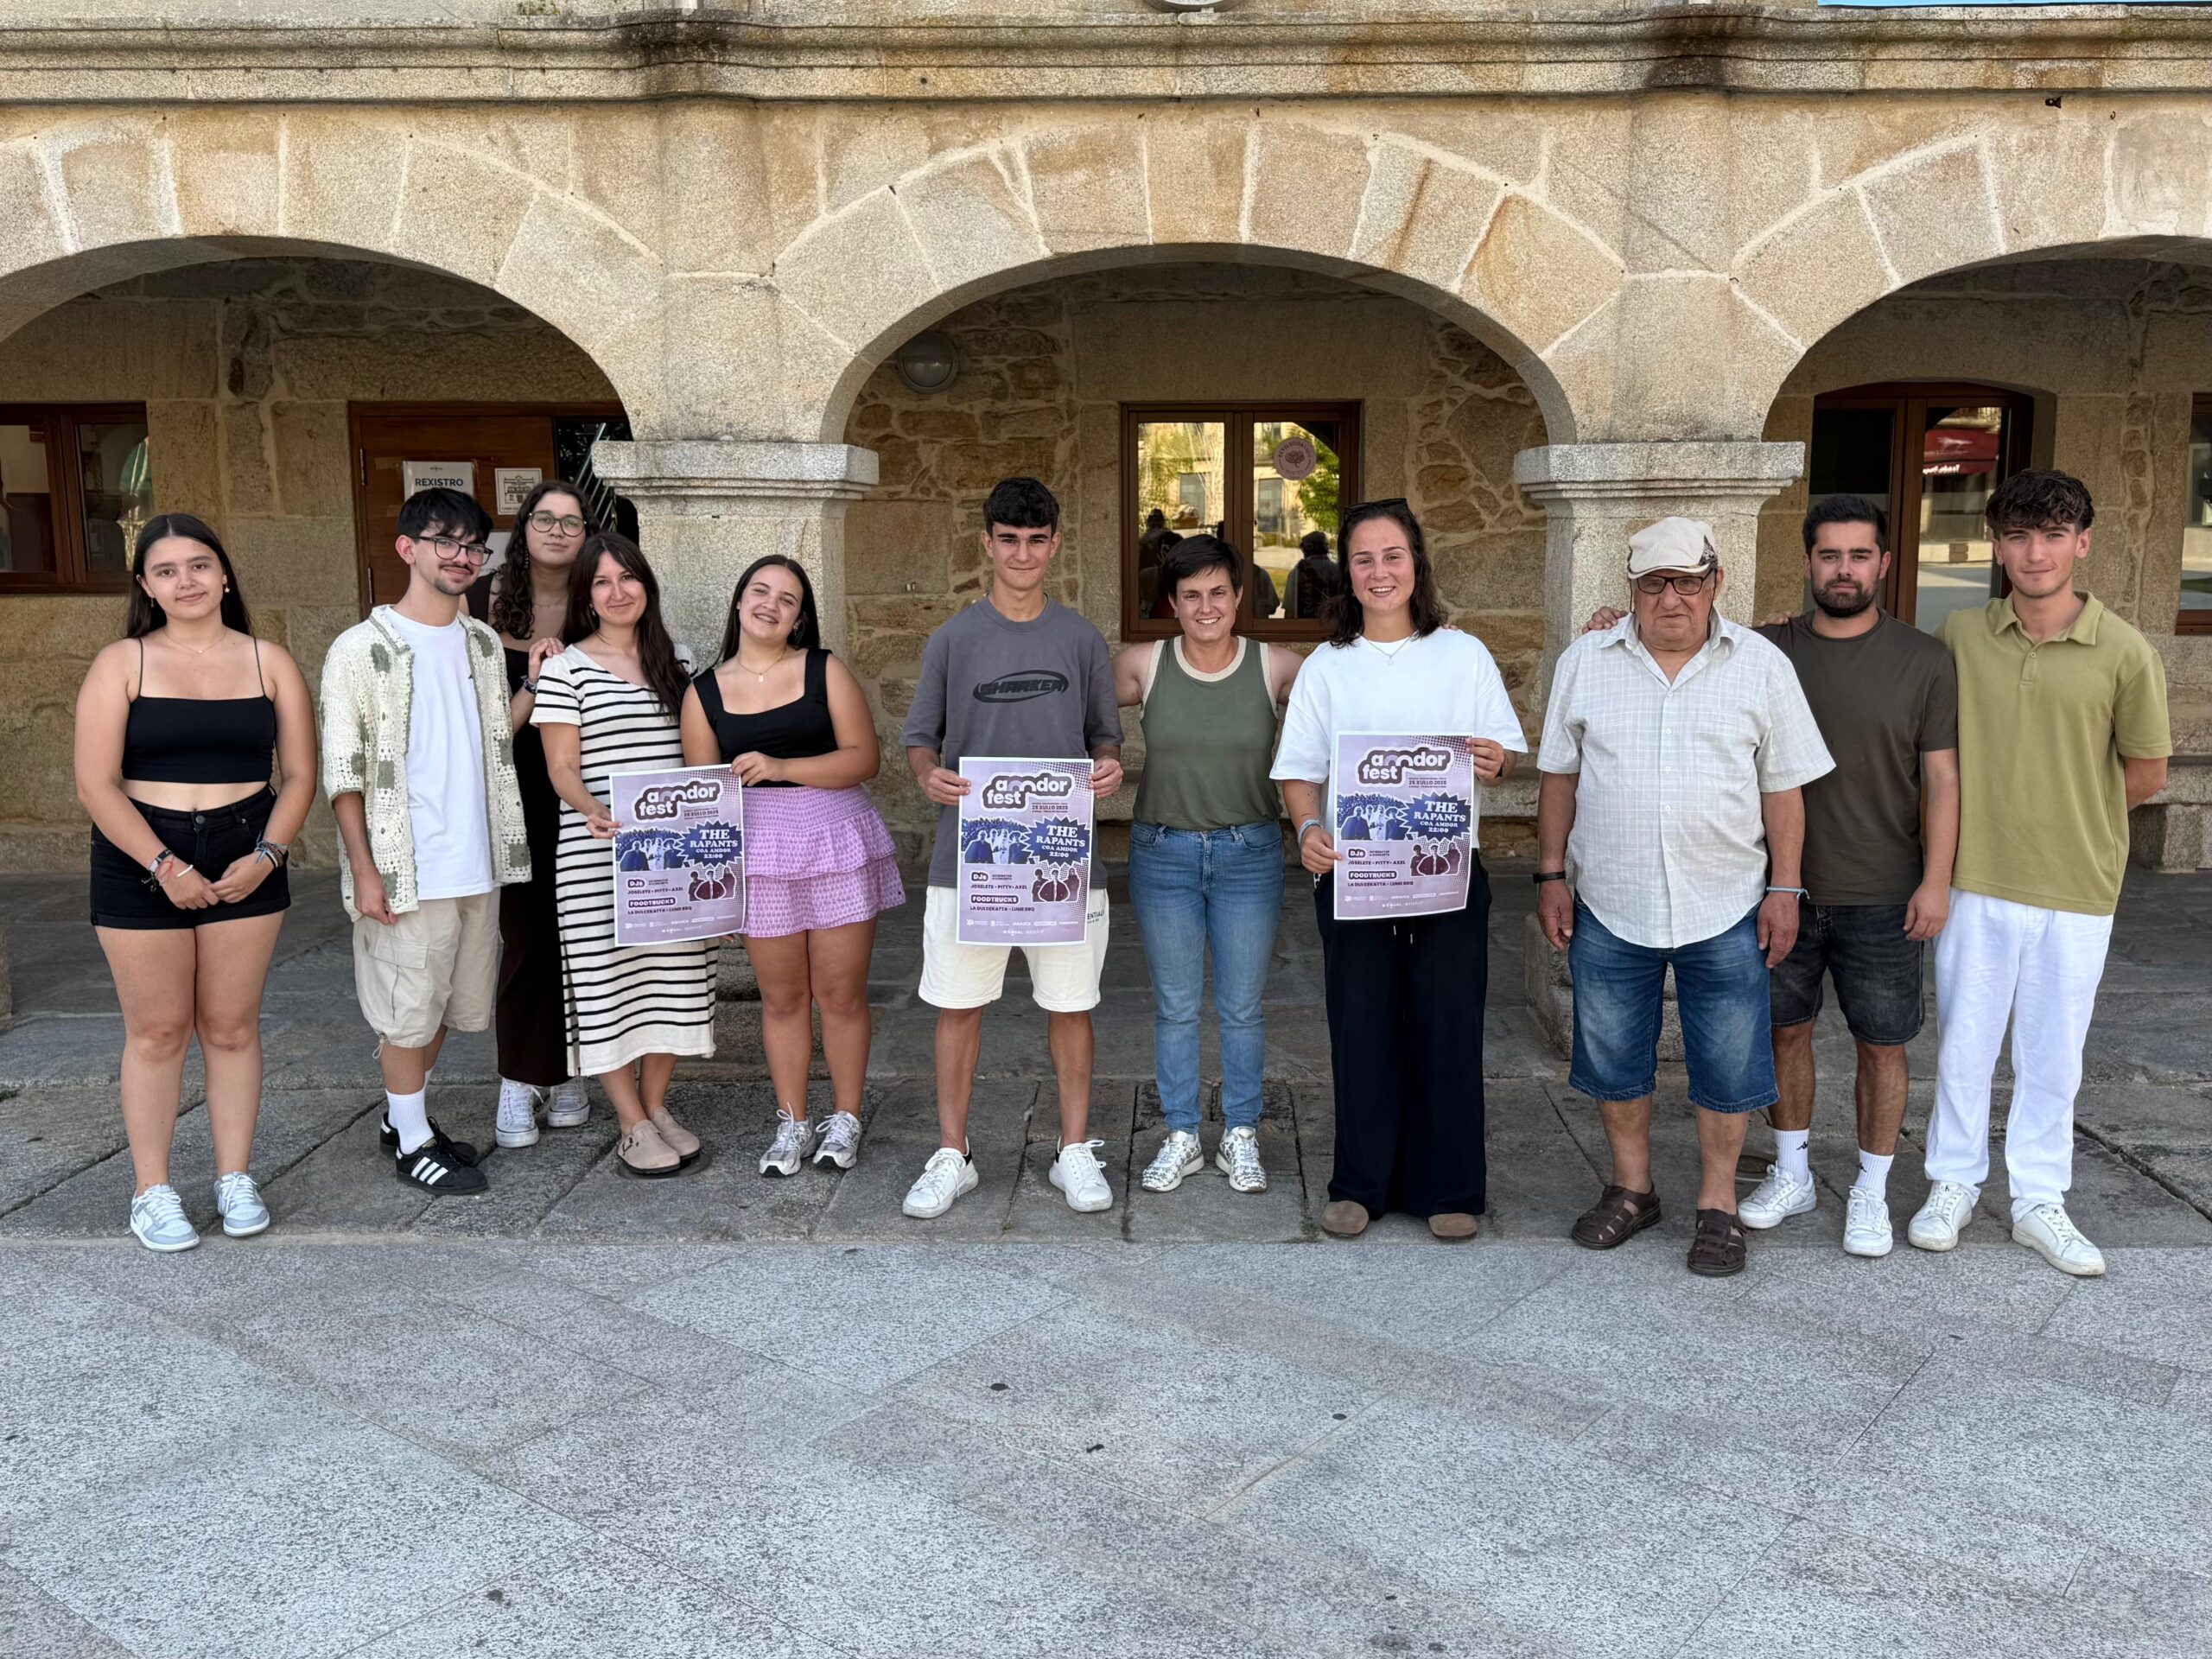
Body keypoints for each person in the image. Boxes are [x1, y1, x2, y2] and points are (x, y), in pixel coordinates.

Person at [1582, 493, 1961, 1258]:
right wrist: (1607, 629)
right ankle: (1791, 1173)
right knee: (1781, 1037)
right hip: (1770, 894)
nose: (1844, 569)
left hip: (1877, 884)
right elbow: (1671, 634)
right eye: (1829, 555)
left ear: (1884, 563)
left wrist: (1937, 878)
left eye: (1860, 555)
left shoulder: (1921, 658)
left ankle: (1871, 1189)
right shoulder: (1766, 646)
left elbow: (1942, 778)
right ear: (1808, 563)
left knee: (1881, 1043)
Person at [1535, 517, 1833, 1277]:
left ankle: (1719, 1206)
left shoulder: (1760, 665)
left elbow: (1784, 788)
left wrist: (1786, 889)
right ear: (1631, 590)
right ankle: (1633, 1190)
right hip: (1610, 898)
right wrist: (1549, 875)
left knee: (1730, 1065)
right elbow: (1560, 778)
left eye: (1688, 582)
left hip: (1727, 901)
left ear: (1716, 583)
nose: (1672, 599)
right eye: (1653, 583)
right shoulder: (1587, 661)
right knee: (1611, 1057)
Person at [1908, 470, 2170, 1276]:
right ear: (1997, 544)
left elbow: (2148, 773)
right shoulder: (1960, 635)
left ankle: (2038, 1200)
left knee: (2055, 1054)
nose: (2036, 552)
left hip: (2076, 886)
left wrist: (2070, 820)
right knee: (1964, 1046)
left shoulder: (2124, 650)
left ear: (2083, 544)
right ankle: (1951, 1183)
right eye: (2019, 536)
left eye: (2054, 536)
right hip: (1975, 879)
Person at [1271, 498, 1526, 1242]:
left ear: (1416, 563)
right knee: (1362, 1023)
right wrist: (1310, 827)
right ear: (1345, 575)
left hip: (1446, 872)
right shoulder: (1328, 667)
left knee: (1449, 1021)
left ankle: (1450, 1188)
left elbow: (1502, 755)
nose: (1379, 572)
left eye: (1392, 556)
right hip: (1355, 874)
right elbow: (1298, 772)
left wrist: (1494, 758)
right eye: (1363, 559)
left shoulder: (1464, 655)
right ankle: (1359, 1184)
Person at [73, 515, 317, 1250]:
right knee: (157, 1032)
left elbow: (301, 774)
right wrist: (164, 865)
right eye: (169, 569)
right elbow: (95, 782)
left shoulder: (269, 660)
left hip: (248, 847)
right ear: (146, 586)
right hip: (141, 852)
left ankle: (234, 1176)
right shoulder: (122, 662)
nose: (187, 580)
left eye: (200, 565)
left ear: (225, 575)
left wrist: (271, 853)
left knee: (232, 1027)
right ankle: (152, 1189)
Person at [899, 477, 1123, 1219]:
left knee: (1071, 1004)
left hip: (1061, 854)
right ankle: (953, 1153)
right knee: (959, 1005)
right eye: (1008, 539)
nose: (1022, 553)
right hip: (971, 859)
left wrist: (1109, 767)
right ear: (987, 543)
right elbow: (919, 741)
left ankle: (1074, 1150)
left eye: (1036, 540)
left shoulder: (1082, 638)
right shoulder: (953, 639)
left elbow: (1104, 736)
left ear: (1055, 544)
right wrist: (929, 776)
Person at [321, 487, 532, 1196]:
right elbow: (343, 772)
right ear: (407, 548)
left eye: (474, 544)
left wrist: (534, 683)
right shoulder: (360, 649)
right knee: (407, 1010)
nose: (463, 555)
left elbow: (492, 735)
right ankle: (412, 1138)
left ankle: (399, 1116)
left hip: (476, 861)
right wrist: (365, 869)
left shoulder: (476, 640)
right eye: (446, 541)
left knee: (445, 1006)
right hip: (407, 868)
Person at [681, 555, 904, 1177]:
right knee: (781, 999)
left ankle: (847, 1117)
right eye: (760, 591)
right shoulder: (702, 693)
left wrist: (782, 768)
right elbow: (705, 798)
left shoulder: (823, 669)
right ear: (738, 601)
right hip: (757, 856)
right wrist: (713, 893)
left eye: (787, 599)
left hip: (834, 838)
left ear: (799, 617)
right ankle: (793, 1122)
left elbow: (864, 758)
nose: (771, 605)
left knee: (840, 994)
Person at [1115, 536, 1300, 1196]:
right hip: (1162, 852)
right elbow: (1068, 705)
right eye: (1191, 595)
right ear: (1172, 601)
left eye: (1218, 592)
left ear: (1240, 595)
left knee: (1244, 1006)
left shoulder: (1277, 665)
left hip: (1248, 852)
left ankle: (1242, 1133)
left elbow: (1356, 699)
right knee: (1174, 1005)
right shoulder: (1144, 663)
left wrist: (1433, 640)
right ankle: (1184, 1133)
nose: (1206, 606)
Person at [534, 534, 717, 1178]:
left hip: (669, 857)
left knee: (673, 981)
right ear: (587, 595)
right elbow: (559, 765)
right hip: (596, 851)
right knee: (605, 985)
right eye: (602, 582)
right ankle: (631, 1123)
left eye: (628, 578)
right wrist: (588, 807)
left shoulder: (680, 661)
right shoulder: (565, 668)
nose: (618, 592)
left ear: (647, 585)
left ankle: (656, 1105)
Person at [467, 480, 598, 1150]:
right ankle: (521, 1075)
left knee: (581, 929)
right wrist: (533, 683)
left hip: (584, 784)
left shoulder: (603, 596)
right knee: (524, 934)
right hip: (514, 785)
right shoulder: (479, 604)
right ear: (522, 530)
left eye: (571, 522)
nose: (556, 531)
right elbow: (485, 732)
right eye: (543, 519)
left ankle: (569, 1070)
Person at [1286, 529, 1343, 620]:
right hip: (1333, 628)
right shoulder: (1339, 571)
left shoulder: (1296, 573)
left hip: (1304, 630)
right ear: (1326, 547)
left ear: (1305, 549)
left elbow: (1289, 610)